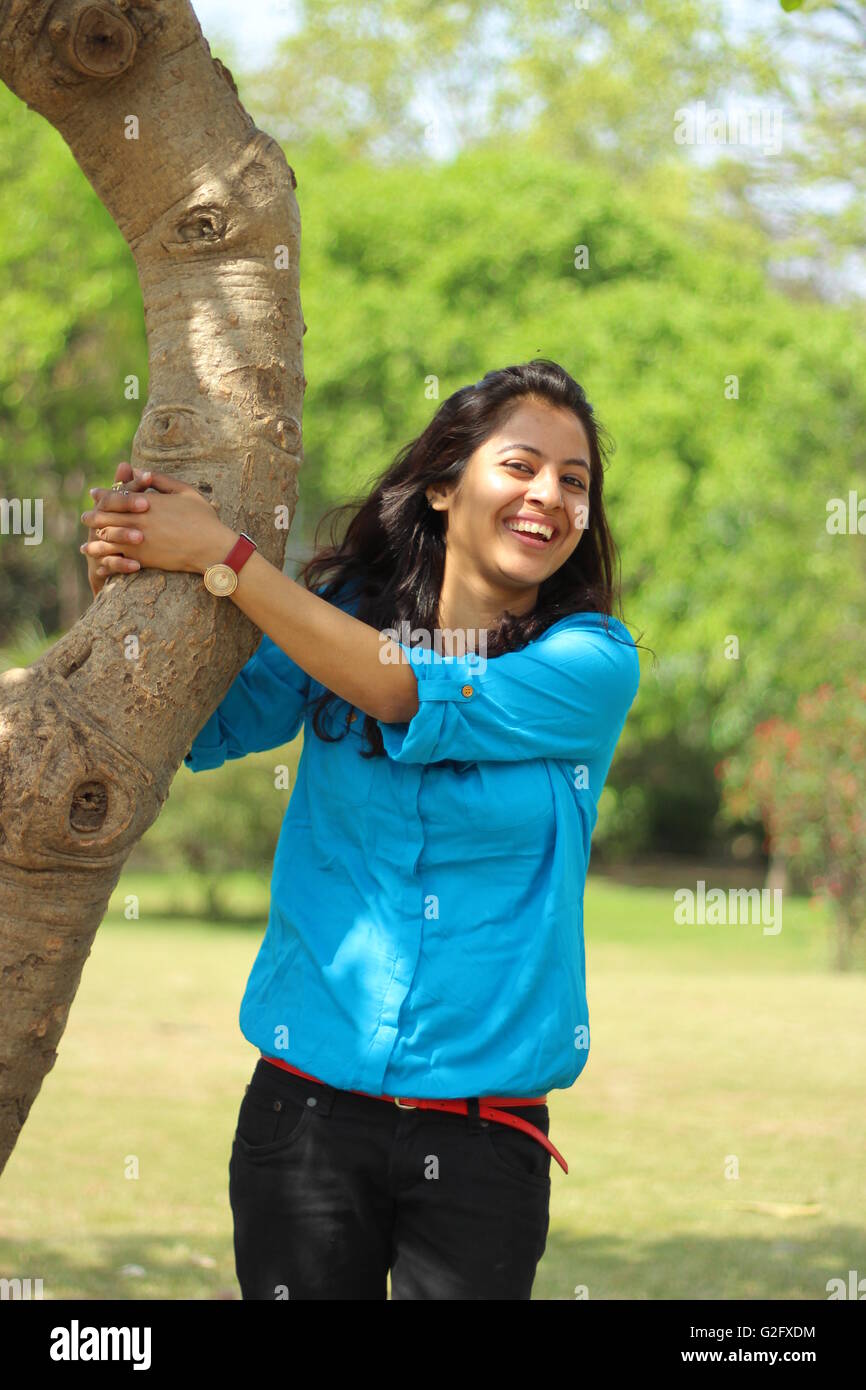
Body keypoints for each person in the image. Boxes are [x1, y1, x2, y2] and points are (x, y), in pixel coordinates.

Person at [80, 359, 643, 1300]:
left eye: (574, 481)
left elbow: (398, 686)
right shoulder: (336, 620)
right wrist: (136, 590)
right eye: (521, 465)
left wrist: (226, 557)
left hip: (484, 1142)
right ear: (441, 484)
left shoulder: (589, 661)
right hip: (302, 1119)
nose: (549, 493)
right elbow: (200, 724)